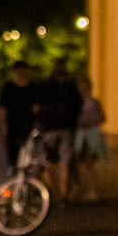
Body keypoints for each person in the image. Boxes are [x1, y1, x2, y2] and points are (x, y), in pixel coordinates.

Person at [35, 64, 82, 204]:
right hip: (63, 129)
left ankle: (55, 194)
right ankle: (62, 195)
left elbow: (38, 106)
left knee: (50, 163)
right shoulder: (70, 87)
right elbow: (78, 106)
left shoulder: (47, 86)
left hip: (51, 129)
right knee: (63, 163)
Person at [72, 75, 108, 203]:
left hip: (91, 133)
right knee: (76, 161)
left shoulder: (94, 102)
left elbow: (102, 117)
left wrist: (92, 122)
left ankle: (92, 191)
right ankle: (80, 187)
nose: (83, 90)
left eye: (85, 87)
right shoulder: (75, 103)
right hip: (79, 133)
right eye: (81, 88)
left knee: (89, 162)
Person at [0, 61, 37, 168]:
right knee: (13, 157)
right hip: (13, 126)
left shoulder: (32, 87)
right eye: (19, 70)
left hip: (29, 126)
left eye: (23, 70)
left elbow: (36, 107)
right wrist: (2, 126)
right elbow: (2, 109)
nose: (21, 72)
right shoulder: (8, 88)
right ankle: (14, 174)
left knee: (30, 156)